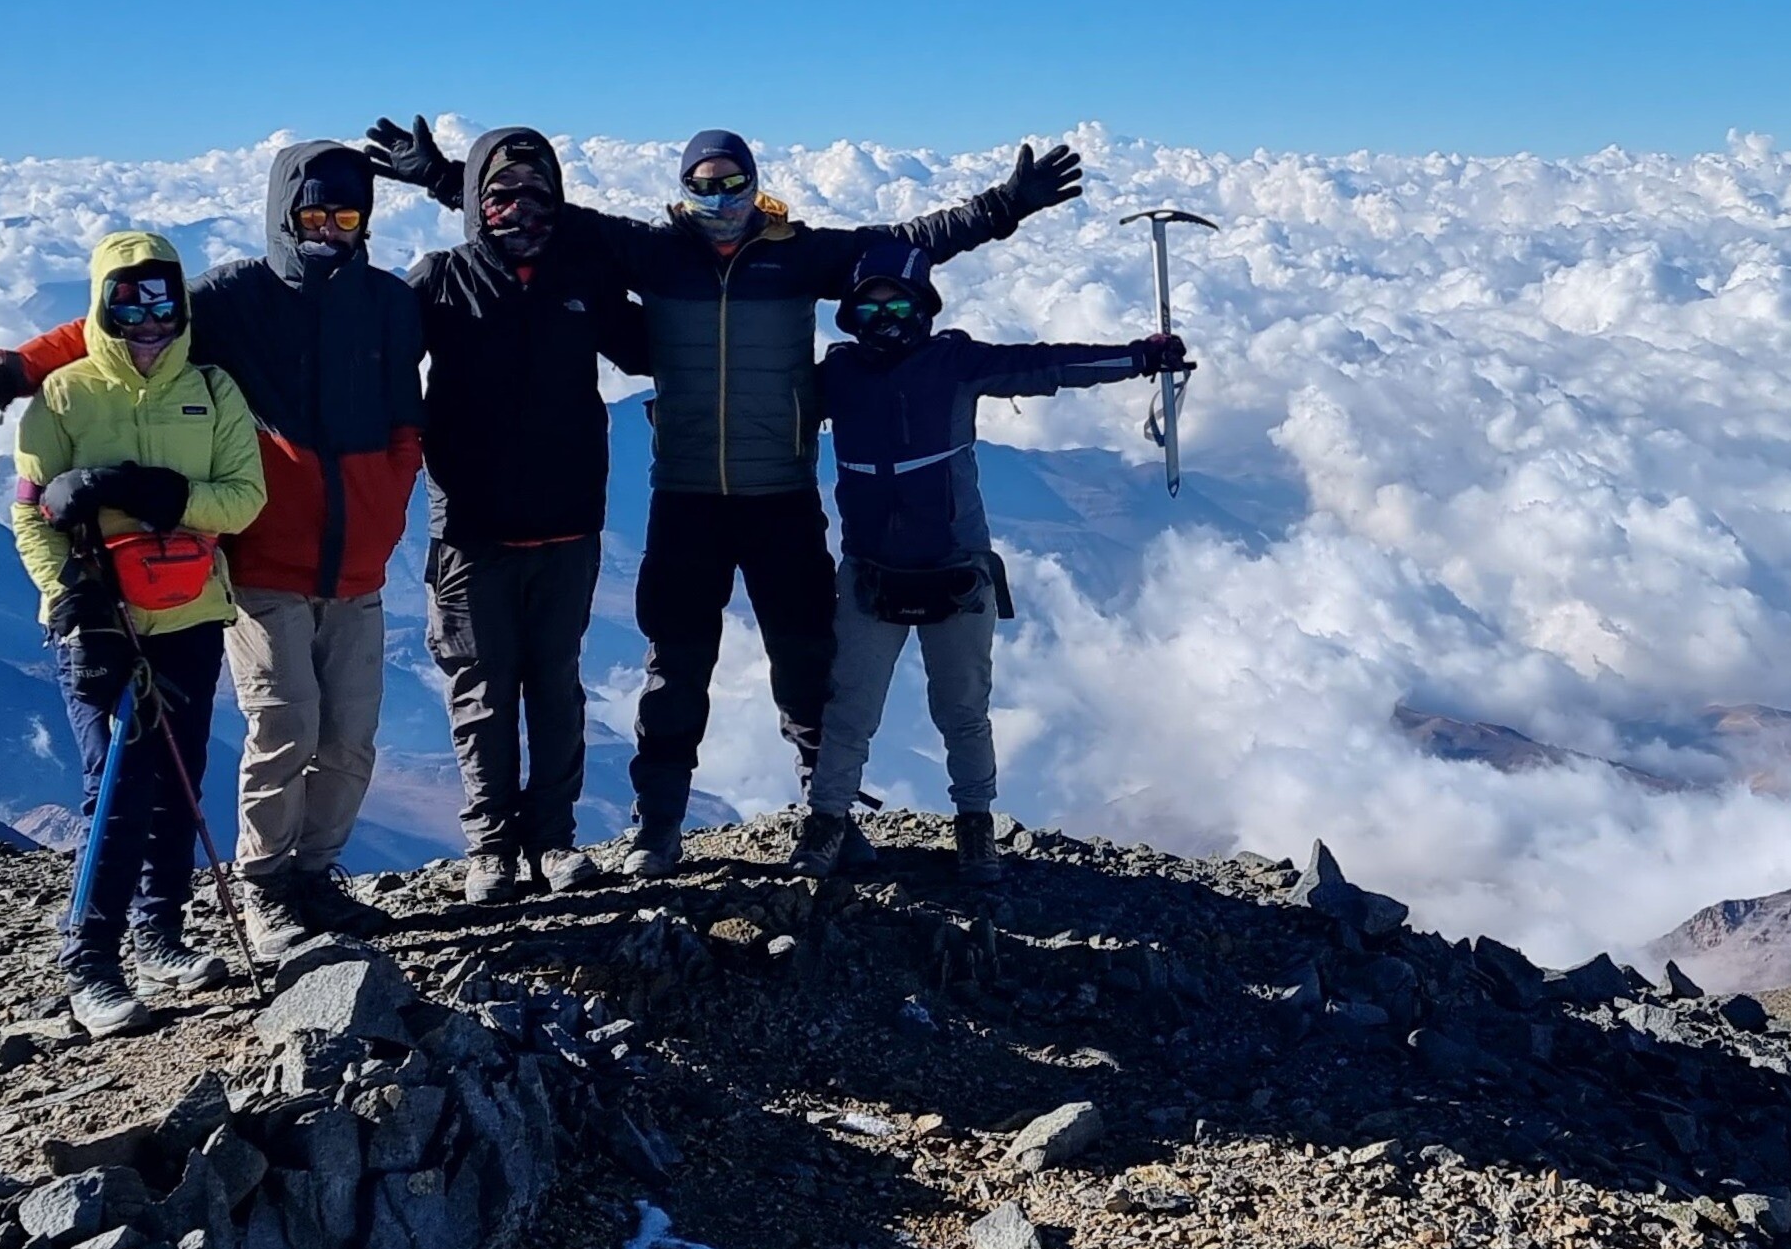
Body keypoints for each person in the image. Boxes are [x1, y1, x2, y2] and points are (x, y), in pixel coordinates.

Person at [370, 123, 1084, 873]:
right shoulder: (654, 253)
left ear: (754, 182)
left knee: (806, 659)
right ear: (684, 190)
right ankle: (658, 826)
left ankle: (828, 815)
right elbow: (531, 212)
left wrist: (1006, 205)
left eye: (732, 182)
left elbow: (905, 243)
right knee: (675, 668)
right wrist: (443, 175)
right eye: (703, 185)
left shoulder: (799, 255)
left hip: (781, 493)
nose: (720, 198)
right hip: (687, 497)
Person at [0, 142, 425, 968]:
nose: (328, 230)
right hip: (263, 560)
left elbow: (409, 410)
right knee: (286, 726)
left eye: (346, 215)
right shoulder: (235, 296)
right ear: (284, 216)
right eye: (312, 214)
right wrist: (10, 376)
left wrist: (396, 484)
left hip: (361, 565)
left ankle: (315, 876)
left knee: (350, 740)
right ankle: (266, 890)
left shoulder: (388, 302)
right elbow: (121, 322)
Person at [797, 242, 1184, 884]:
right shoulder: (837, 375)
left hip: (954, 572)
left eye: (898, 306)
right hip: (872, 575)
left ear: (923, 308)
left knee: (962, 711)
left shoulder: (954, 363)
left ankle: (975, 827)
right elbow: (762, 402)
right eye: (869, 309)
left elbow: (1045, 366)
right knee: (850, 711)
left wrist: (1139, 357)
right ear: (849, 317)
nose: (885, 319)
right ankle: (826, 823)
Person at [10, 232, 269, 1036]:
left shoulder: (213, 390)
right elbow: (30, 511)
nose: (149, 320)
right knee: (118, 785)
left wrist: (165, 496)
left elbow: (244, 499)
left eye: (162, 301)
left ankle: (161, 936)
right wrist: (67, 594)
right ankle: (90, 965)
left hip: (188, 615)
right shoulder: (62, 396)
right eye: (128, 302)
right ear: (102, 305)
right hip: (99, 621)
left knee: (180, 776)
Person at [399, 124, 653, 902]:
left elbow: (647, 350)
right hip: (470, 531)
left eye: (538, 194)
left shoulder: (584, 277)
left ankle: (554, 842)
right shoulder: (439, 279)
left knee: (555, 688)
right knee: (481, 693)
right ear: (475, 203)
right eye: (501, 195)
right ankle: (491, 850)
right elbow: (374, 365)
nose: (520, 209)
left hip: (568, 525)